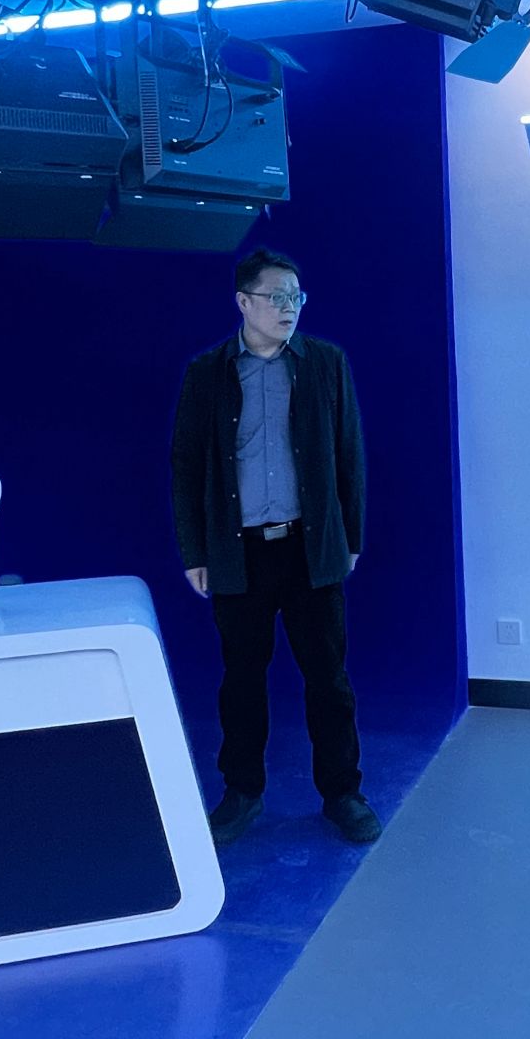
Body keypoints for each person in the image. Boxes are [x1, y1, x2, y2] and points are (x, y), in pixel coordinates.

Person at [170, 248, 381, 846]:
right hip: (239, 553)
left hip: (310, 548)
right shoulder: (206, 373)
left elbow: (350, 455)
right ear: (244, 302)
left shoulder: (325, 363)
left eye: (296, 297)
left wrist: (350, 538)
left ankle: (342, 793)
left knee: (329, 679)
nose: (289, 308)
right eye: (276, 297)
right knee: (241, 678)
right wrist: (195, 551)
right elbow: (185, 466)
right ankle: (242, 792)